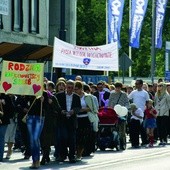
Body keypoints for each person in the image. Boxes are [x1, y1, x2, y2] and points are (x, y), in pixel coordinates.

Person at [56, 80, 81, 163]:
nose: (70, 89)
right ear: (66, 87)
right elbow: (56, 106)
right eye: (68, 87)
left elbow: (78, 107)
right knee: (63, 137)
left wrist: (73, 111)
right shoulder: (59, 95)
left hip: (72, 120)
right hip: (62, 120)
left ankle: (72, 156)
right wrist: (61, 111)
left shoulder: (76, 97)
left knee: (72, 139)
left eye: (72, 88)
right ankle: (62, 155)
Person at [74, 81, 98, 161]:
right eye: (74, 89)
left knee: (83, 137)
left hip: (85, 118)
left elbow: (92, 108)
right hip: (76, 118)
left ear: (81, 89)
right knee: (76, 137)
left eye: (76, 89)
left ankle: (79, 154)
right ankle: (76, 152)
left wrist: (81, 109)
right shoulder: (73, 96)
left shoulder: (87, 97)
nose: (75, 91)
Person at [40, 81, 62, 165]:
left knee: (47, 140)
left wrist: (51, 103)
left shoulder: (51, 97)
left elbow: (58, 109)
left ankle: (44, 156)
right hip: (39, 121)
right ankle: (46, 155)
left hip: (49, 122)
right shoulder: (37, 97)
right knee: (41, 140)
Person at [26, 91, 49, 169]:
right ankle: (34, 160)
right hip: (30, 117)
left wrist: (43, 101)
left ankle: (37, 160)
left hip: (39, 117)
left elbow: (46, 108)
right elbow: (24, 104)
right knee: (32, 140)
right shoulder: (29, 92)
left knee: (35, 138)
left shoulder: (44, 93)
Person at [128, 79, 150, 146]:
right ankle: (135, 143)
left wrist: (147, 111)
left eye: (137, 84)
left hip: (142, 112)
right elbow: (128, 98)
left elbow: (148, 102)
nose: (136, 85)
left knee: (142, 129)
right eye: (135, 84)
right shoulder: (134, 92)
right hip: (134, 112)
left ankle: (145, 141)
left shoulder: (145, 93)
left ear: (141, 84)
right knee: (134, 129)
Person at [108, 82, 129, 150]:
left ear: (121, 87)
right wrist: (110, 110)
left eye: (119, 87)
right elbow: (110, 103)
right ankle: (113, 141)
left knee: (122, 129)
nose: (117, 89)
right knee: (112, 127)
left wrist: (125, 109)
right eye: (116, 87)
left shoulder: (124, 94)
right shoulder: (112, 94)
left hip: (122, 113)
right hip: (113, 113)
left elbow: (127, 103)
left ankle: (122, 142)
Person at [0, 93, 13, 162]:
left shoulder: (6, 96)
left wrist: (5, 104)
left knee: (1, 138)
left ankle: (0, 156)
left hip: (4, 120)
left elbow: (11, 109)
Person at [4, 94, 17, 159]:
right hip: (4, 118)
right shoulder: (4, 96)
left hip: (12, 118)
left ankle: (9, 150)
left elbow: (15, 108)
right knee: (6, 136)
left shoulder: (14, 98)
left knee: (11, 135)